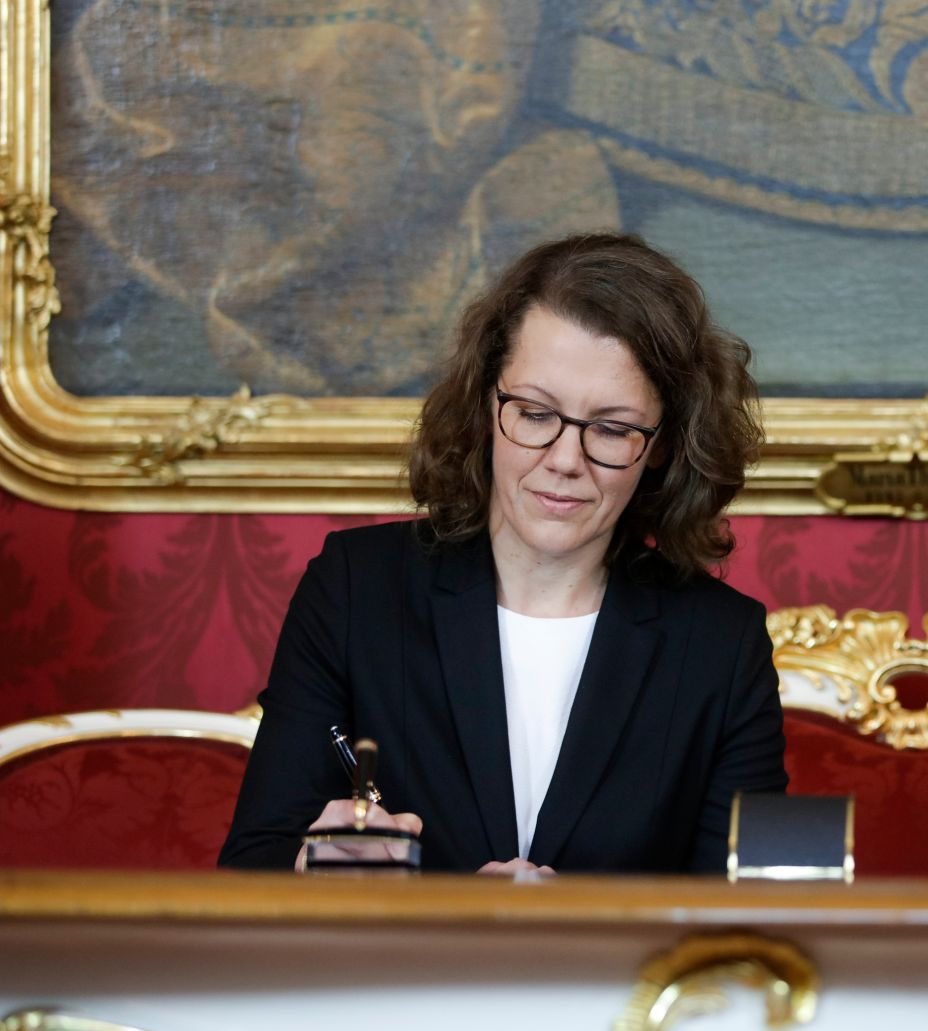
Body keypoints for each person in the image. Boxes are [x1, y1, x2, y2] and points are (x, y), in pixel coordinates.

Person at [218, 232, 787, 878]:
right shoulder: (355, 590)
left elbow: (752, 910)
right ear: (485, 404)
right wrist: (318, 865)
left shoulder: (722, 643)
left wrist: (576, 919)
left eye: (611, 428)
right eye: (535, 413)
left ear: (660, 446)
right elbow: (251, 865)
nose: (565, 460)